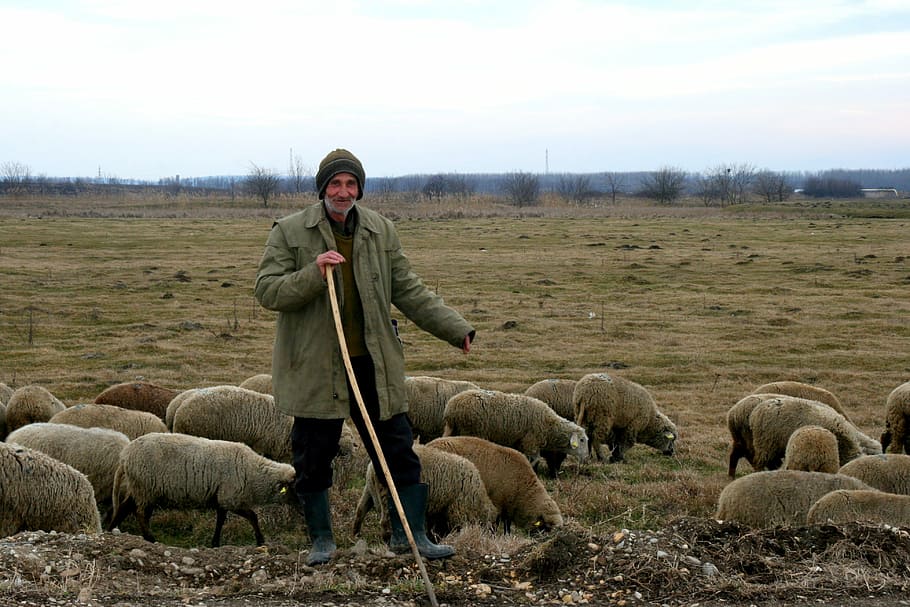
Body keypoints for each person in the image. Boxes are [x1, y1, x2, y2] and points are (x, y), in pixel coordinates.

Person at [254, 148, 475, 565]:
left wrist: (455, 328)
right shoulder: (290, 231)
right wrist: (312, 274)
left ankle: (410, 537)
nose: (343, 191)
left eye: (350, 184)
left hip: (373, 364)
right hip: (318, 366)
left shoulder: (379, 230)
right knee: (313, 456)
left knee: (397, 450)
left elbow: (408, 289)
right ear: (322, 188)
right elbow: (267, 290)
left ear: (360, 188)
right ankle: (322, 541)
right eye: (335, 184)